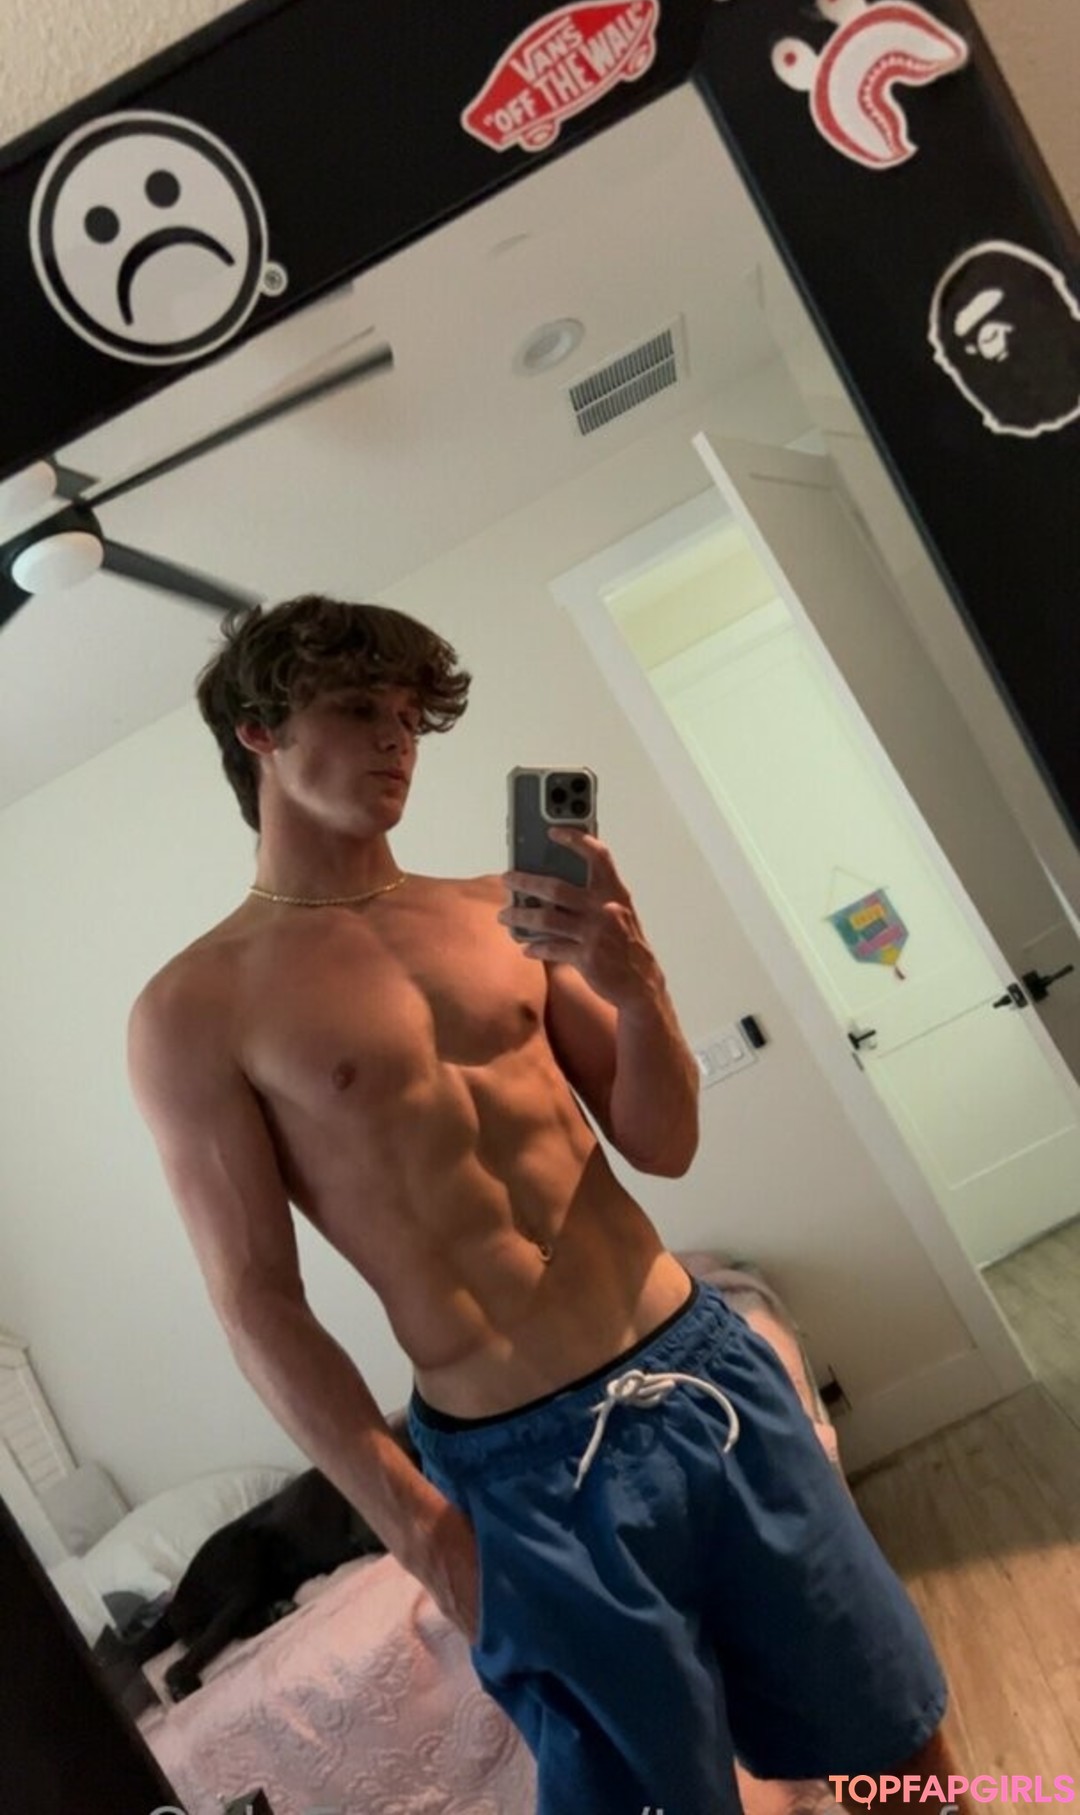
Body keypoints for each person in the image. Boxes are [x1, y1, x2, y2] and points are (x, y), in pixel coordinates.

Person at [128, 595, 964, 1815]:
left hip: (704, 1374)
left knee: (891, 1728)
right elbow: (256, 1299)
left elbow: (661, 1141)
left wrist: (637, 983)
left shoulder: (499, 909)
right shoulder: (193, 1007)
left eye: (410, 717)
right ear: (258, 732)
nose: (397, 739)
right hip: (521, 1471)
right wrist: (421, 1529)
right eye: (357, 709)